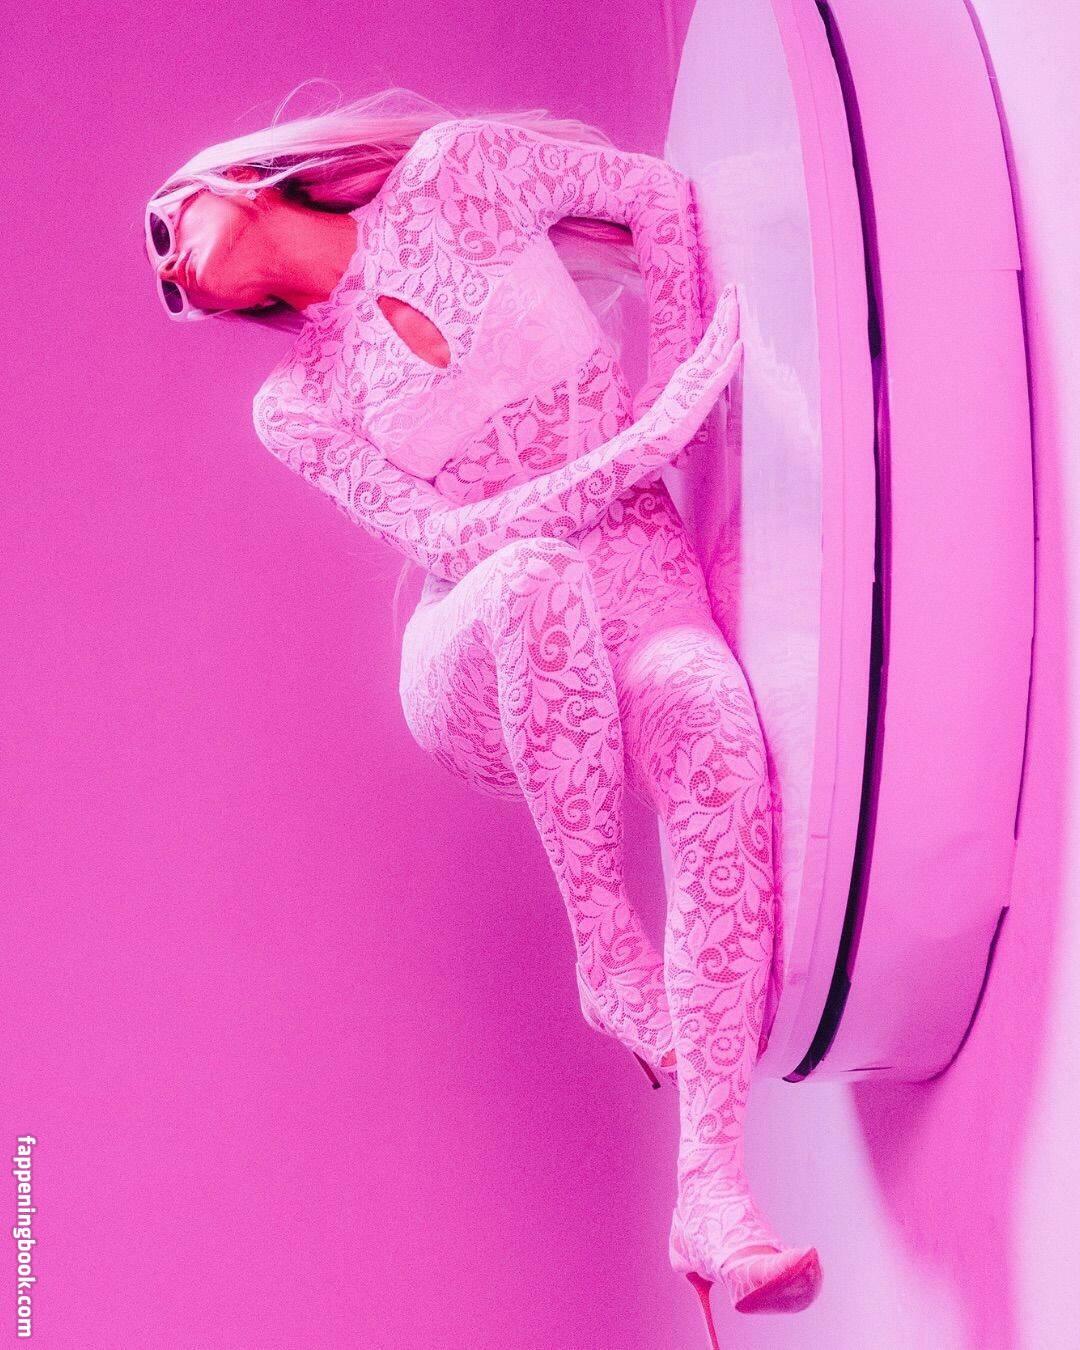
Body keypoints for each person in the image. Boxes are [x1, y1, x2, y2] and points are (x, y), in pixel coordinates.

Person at [143, 84, 822, 1329]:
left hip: (643, 582)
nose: (169, 279)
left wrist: (680, 396)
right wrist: (654, 438)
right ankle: (607, 950)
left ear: (228, 176)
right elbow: (452, 541)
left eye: (161, 234)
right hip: (478, 655)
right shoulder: (294, 404)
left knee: (713, 722)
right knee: (528, 576)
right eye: (168, 293)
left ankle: (716, 1194)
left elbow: (658, 200)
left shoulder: (462, 172)